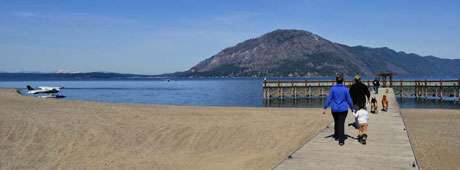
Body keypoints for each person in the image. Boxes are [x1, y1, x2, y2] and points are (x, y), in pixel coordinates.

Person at [322, 73, 354, 146]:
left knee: (336, 121)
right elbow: (349, 100)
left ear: (336, 80)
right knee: (341, 123)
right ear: (343, 80)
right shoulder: (346, 89)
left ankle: (336, 136)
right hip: (343, 109)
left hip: (334, 109)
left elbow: (329, 99)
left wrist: (325, 107)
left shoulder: (333, 89)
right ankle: (341, 140)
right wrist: (352, 108)